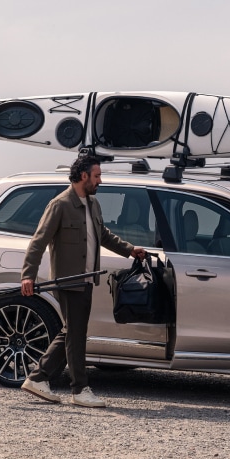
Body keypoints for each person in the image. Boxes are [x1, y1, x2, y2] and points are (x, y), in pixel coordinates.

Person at [19, 154, 146, 407]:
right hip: (68, 280)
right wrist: (28, 275)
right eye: (97, 175)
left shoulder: (93, 204)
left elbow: (103, 234)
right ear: (83, 176)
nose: (100, 180)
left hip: (86, 280)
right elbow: (38, 241)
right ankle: (79, 389)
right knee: (75, 334)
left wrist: (130, 250)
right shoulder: (60, 204)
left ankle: (38, 378)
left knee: (72, 332)